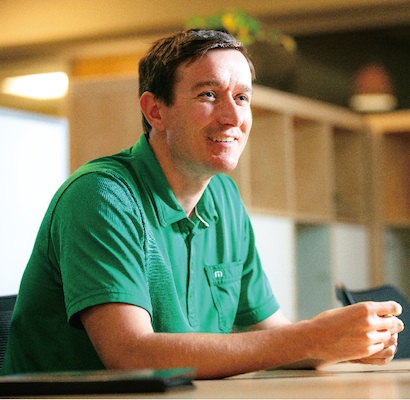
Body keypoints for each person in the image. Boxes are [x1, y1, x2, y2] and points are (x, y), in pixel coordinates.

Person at [1, 29, 403, 379]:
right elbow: (130, 355)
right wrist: (311, 338)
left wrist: (343, 342)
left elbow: (269, 335)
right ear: (155, 111)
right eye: (209, 95)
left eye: (242, 97)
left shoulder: (223, 197)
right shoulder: (101, 195)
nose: (232, 116)